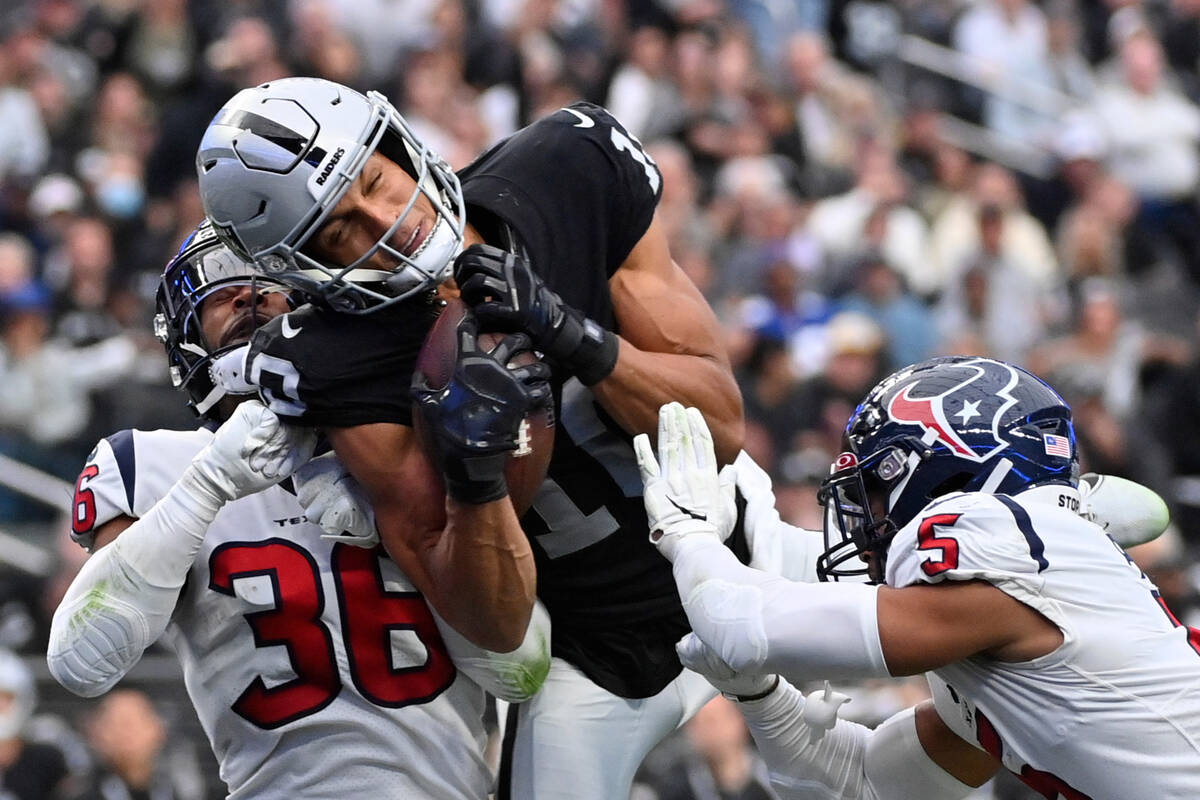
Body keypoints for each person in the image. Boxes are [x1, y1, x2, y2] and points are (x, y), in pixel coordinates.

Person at [194, 76, 745, 799]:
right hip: (596, 663)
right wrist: (476, 475)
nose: (386, 221)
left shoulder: (566, 170)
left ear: (399, 142)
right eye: (339, 232)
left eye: (374, 181)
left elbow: (723, 427)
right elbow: (495, 624)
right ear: (303, 270)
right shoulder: (331, 363)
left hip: (745, 555)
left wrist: (568, 333)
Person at [46, 225, 552, 799]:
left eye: (274, 281)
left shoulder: (417, 451)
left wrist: (412, 521)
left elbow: (519, 668)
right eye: (218, 289)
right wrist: (205, 486)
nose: (251, 296)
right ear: (185, 336)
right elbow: (80, 662)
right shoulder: (151, 463)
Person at [636, 357, 1200, 800]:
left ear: (947, 473)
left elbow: (743, 625)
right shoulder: (1023, 599)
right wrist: (760, 695)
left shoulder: (998, 541)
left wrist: (688, 537)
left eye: (876, 488)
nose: (863, 517)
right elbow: (864, 787)